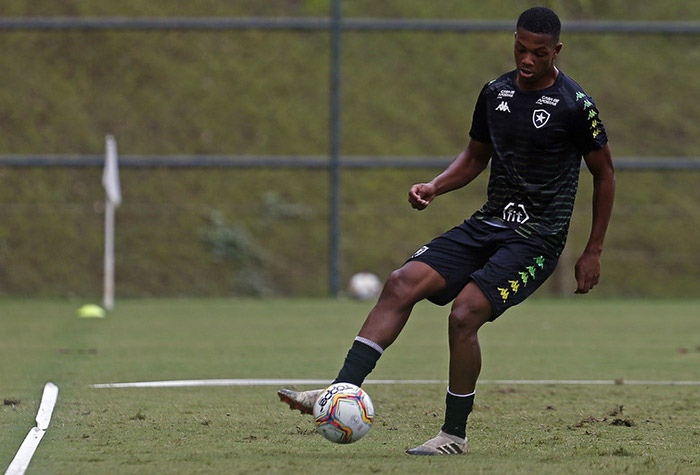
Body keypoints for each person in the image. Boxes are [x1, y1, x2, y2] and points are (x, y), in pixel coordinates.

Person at [278, 6, 615, 455]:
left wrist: (592, 250)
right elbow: (476, 157)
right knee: (401, 283)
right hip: (489, 223)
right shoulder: (495, 92)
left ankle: (453, 435)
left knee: (464, 313)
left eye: (539, 53)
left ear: (557, 50)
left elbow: (605, 175)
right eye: (520, 48)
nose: (527, 60)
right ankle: (337, 392)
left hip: (537, 238)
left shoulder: (576, 105)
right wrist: (435, 186)